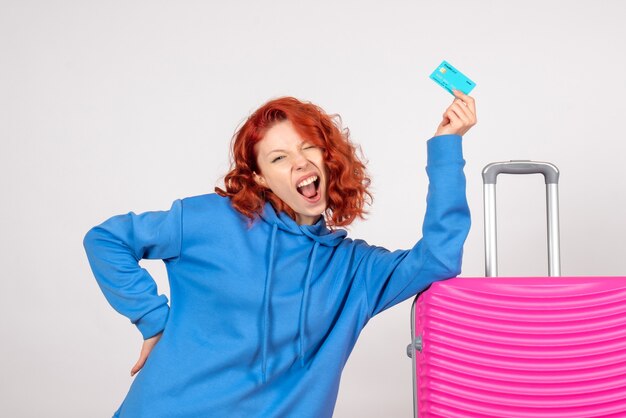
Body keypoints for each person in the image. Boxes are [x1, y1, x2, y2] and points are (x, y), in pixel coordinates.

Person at [83, 90, 476, 417]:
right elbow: (106, 240)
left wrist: (447, 145)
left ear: (328, 156)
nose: (300, 162)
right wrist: (153, 320)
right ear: (259, 176)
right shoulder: (210, 220)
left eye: (309, 147)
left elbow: (439, 258)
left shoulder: (355, 270)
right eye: (278, 158)